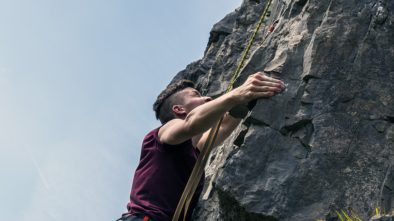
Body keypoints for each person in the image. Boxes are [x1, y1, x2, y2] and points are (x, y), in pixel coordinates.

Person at [118, 72, 285, 221]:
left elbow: (223, 126)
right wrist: (236, 94)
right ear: (178, 109)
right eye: (196, 95)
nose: (208, 99)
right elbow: (191, 123)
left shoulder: (194, 151)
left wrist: (247, 100)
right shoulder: (163, 133)